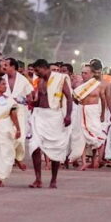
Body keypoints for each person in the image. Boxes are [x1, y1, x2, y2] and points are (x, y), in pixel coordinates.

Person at [27, 59, 72, 189]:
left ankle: (53, 179)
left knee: (55, 148)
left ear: (43, 67)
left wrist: (68, 115)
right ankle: (38, 179)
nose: (36, 73)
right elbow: (39, 100)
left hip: (54, 116)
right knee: (34, 146)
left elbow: (69, 97)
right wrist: (31, 102)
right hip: (39, 115)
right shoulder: (40, 81)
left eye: (37, 70)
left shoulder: (60, 78)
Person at [72, 60, 109, 170]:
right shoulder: (80, 85)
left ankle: (96, 159)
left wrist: (102, 114)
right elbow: (75, 98)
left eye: (86, 73)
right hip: (82, 110)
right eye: (82, 73)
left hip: (93, 112)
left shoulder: (98, 85)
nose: (84, 75)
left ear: (92, 74)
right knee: (81, 137)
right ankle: (83, 162)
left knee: (95, 134)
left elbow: (103, 100)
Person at [0, 57, 34, 170]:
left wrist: (21, 100)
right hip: (5, 112)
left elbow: (30, 97)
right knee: (8, 135)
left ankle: (18, 158)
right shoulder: (1, 79)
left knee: (20, 138)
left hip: (20, 112)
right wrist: (5, 102)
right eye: (3, 65)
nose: (4, 67)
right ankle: (9, 158)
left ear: (13, 67)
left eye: (6, 65)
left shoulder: (23, 80)